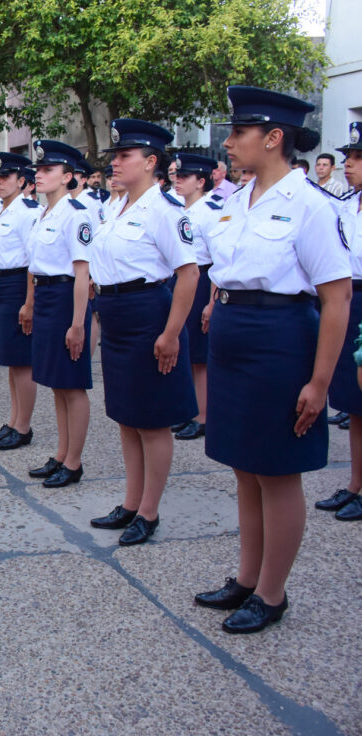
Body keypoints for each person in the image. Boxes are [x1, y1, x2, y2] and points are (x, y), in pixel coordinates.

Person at [193, 86, 350, 633]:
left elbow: (336, 298)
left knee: (278, 472)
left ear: (274, 138)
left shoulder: (309, 204)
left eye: (239, 133)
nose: (230, 142)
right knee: (244, 467)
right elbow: (221, 271)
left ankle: (272, 593)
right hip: (235, 337)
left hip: (281, 340)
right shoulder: (237, 200)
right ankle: (246, 578)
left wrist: (320, 382)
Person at [87, 120, 199, 545]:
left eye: (124, 156)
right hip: (115, 314)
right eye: (115, 156)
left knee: (152, 422)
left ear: (151, 162)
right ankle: (131, 502)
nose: (114, 162)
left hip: (148, 314)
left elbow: (188, 274)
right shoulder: (116, 207)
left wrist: (171, 333)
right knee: (127, 417)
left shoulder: (164, 210)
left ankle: (148, 512)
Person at [23, 141, 91, 485]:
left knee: (73, 384)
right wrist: (32, 303)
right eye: (39, 169)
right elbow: (36, 267)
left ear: (67, 177)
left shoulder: (76, 213)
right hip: (48, 297)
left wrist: (78, 324)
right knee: (57, 384)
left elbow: (82, 272)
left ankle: (74, 462)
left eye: (48, 170)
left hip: (67, 298)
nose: (39, 174)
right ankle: (62, 454)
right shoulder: (43, 213)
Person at [316, 121, 362, 522]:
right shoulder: (347, 204)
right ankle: (355, 484)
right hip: (352, 299)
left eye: (358, 159)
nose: (349, 166)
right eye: (348, 158)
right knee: (354, 401)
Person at [0, 151, 38, 451]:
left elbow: (32, 262)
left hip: (18, 284)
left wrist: (29, 302)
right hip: (0, 284)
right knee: (11, 361)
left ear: (21, 180)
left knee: (23, 360)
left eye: (5, 177)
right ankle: (14, 420)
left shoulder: (27, 212)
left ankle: (24, 425)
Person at [170, 154, 223, 441]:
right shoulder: (180, 209)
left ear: (201, 182)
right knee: (186, 351)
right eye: (176, 175)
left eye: (184, 177)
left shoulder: (210, 211)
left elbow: (218, 261)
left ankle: (202, 416)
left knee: (199, 356)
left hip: (203, 281)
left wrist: (212, 302)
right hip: (181, 279)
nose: (177, 180)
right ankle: (190, 411)